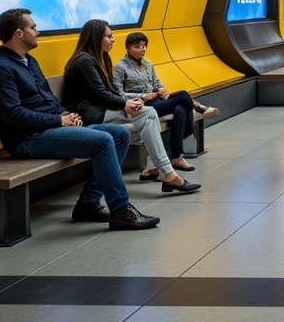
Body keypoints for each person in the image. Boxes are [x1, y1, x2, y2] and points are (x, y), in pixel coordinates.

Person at [0, 9, 159, 230]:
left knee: (120, 134)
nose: (38, 31)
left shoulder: (29, 61)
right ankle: (121, 211)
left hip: (47, 128)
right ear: (18, 33)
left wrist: (65, 113)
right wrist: (57, 120)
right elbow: (13, 115)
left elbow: (47, 99)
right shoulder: (0, 69)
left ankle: (88, 203)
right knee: (102, 141)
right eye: (33, 27)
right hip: (26, 139)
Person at [63, 20, 201, 194]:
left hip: (102, 110)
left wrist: (129, 102)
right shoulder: (85, 61)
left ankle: (165, 173)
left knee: (149, 121)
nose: (112, 40)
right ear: (96, 37)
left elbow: (109, 91)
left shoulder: (100, 59)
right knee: (149, 115)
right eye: (108, 36)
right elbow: (100, 94)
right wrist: (126, 103)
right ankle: (167, 174)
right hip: (87, 114)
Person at [113, 31, 219, 179]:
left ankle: (177, 157)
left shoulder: (148, 63)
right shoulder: (120, 67)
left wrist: (160, 89)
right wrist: (142, 96)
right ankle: (198, 107)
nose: (142, 49)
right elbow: (118, 94)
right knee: (183, 95)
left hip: (156, 101)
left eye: (144, 46)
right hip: (141, 106)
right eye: (137, 46)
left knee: (180, 108)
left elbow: (156, 83)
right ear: (128, 47)